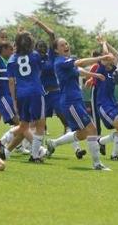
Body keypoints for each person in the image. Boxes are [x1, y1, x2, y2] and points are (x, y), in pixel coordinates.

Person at [46, 37, 113, 170]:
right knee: (92, 129)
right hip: (71, 102)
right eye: (62, 45)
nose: (66, 45)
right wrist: (101, 57)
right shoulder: (60, 61)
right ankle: (97, 164)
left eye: (66, 43)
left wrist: (94, 75)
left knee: (83, 133)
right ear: (56, 50)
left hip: (75, 101)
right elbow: (80, 63)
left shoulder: (65, 62)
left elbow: (78, 71)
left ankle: (53, 143)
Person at [31, 16, 85, 159]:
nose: (42, 49)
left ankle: (77, 149)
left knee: (66, 122)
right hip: (42, 95)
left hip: (56, 94)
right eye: (39, 47)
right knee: (36, 124)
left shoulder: (53, 58)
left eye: (44, 47)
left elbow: (51, 33)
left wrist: (38, 22)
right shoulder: (35, 60)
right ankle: (36, 150)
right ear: (35, 49)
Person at [0, 31, 46, 163]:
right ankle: (35, 155)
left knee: (24, 125)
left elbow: (11, 82)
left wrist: (14, 100)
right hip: (35, 92)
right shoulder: (35, 56)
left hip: (21, 94)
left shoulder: (12, 60)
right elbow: (40, 71)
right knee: (40, 125)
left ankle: (1, 142)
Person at [95, 36, 118, 161]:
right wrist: (103, 44)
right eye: (109, 58)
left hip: (112, 104)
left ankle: (101, 141)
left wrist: (106, 43)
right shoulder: (101, 69)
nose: (112, 58)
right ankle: (115, 155)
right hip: (104, 105)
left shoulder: (110, 70)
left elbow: (117, 54)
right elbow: (105, 54)